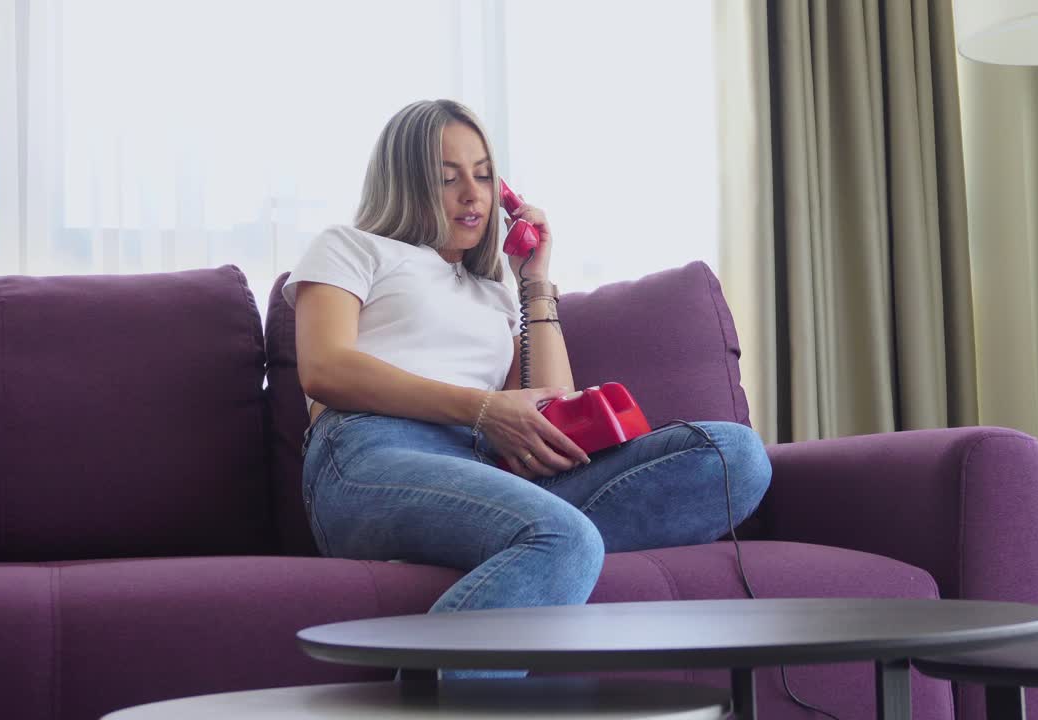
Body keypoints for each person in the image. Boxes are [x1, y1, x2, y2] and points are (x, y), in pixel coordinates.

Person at [284, 99, 772, 656]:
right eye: (448, 178)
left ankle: (501, 543)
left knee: (733, 455)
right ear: (405, 184)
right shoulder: (352, 248)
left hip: (488, 468)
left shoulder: (492, 290)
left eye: (485, 175)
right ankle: (525, 558)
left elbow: (553, 403)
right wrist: (483, 410)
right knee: (565, 538)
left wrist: (534, 281)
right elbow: (325, 368)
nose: (473, 194)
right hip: (369, 454)